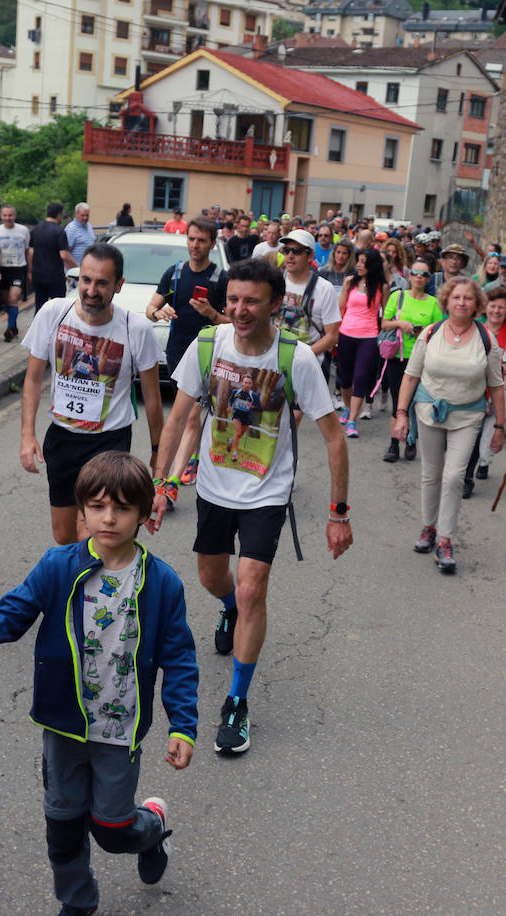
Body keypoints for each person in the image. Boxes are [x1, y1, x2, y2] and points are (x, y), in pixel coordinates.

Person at [0, 452, 196, 916]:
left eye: (123, 507)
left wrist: (183, 725)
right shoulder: (58, 566)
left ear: (145, 514)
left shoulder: (162, 584)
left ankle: (152, 826)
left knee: (111, 829)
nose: (109, 518)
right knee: (62, 825)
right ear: (80, 511)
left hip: (120, 731)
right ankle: (78, 901)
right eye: (98, 506)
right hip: (64, 724)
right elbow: (12, 613)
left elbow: (180, 659)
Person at [147, 258, 352, 755]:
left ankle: (236, 702)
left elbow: (334, 439)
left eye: (251, 300)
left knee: (252, 586)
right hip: (215, 489)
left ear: (275, 304)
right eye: (234, 299)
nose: (239, 309)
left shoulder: (296, 358)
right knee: (214, 580)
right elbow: (175, 423)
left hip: (267, 492)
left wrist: (338, 513)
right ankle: (228, 610)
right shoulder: (206, 346)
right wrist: (162, 483)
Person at [21, 243, 164, 545]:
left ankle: (91, 592)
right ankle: (79, 588)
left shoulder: (135, 328)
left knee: (92, 533)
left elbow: (152, 398)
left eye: (102, 282)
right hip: (62, 438)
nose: (91, 290)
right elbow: (33, 379)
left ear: (119, 285)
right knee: (64, 537)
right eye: (86, 280)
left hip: (108, 442)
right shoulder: (53, 313)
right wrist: (27, 435)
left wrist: (156, 452)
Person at [391, 278, 505, 573]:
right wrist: (401, 413)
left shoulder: (486, 340)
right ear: (446, 300)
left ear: (476, 304)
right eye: (456, 297)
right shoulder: (430, 333)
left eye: (468, 298)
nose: (462, 302)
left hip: (468, 417)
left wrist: (500, 427)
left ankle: (445, 540)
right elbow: (411, 376)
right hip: (428, 411)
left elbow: (496, 385)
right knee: (431, 474)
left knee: (454, 477)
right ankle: (428, 527)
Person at [146, 217, 229, 497]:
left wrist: (212, 315)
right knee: (183, 415)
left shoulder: (221, 278)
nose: (195, 245)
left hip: (209, 354)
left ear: (212, 244)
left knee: (193, 415)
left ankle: (173, 481)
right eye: (192, 239)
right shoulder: (175, 273)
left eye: (202, 240)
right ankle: (192, 459)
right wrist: (160, 312)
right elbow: (151, 307)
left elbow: (234, 323)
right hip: (177, 352)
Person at [464, 286, 506, 494]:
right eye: (493, 306)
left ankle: (485, 461)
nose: (496, 311)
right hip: (474, 392)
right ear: (485, 307)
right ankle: (467, 477)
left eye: (502, 307)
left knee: (489, 437)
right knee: (471, 436)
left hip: (502, 393)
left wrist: (498, 369)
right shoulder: (475, 327)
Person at [380, 259, 444, 462]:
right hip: (398, 356)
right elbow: (384, 324)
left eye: (424, 274)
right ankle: (393, 444)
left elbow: (439, 331)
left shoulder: (433, 302)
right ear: (409, 275)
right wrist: (401, 323)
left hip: (422, 360)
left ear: (428, 279)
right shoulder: (398, 296)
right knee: (398, 400)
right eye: (416, 272)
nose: (419, 277)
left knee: (417, 402)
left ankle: (410, 440)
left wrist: (421, 332)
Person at [336, 247, 387, 437]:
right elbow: (341, 308)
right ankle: (348, 408)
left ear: (371, 265)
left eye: (363, 261)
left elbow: (385, 314)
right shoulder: (349, 282)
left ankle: (352, 421)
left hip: (369, 336)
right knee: (345, 378)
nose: (358, 264)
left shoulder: (382, 286)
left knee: (360, 378)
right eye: (358, 260)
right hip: (346, 333)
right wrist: (335, 334)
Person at [275, 228, 341, 370]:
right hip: (273, 362)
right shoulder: (274, 280)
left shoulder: (324, 288)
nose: (290, 255)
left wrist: (302, 357)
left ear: (310, 256)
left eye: (297, 251)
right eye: (287, 250)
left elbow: (332, 336)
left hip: (308, 367)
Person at [0, 203, 31, 342]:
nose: (8, 218)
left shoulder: (23, 230)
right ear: (1, 216)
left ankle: (9, 329)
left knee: (13, 298)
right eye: (5, 215)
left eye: (10, 215)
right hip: (3, 269)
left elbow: (27, 251)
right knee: (8, 301)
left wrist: (30, 271)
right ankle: (14, 327)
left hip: (19, 268)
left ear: (15, 215)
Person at [34, 202, 78, 310]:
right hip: (54, 276)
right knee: (58, 308)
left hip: (38, 275)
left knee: (40, 307)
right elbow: (64, 255)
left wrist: (31, 271)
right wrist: (77, 267)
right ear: (59, 214)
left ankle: (39, 326)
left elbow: (30, 252)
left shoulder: (36, 229)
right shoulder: (59, 231)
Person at [65, 202, 97, 268]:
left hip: (88, 269)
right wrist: (75, 269)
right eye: (83, 215)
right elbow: (65, 254)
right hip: (75, 272)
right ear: (76, 214)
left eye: (87, 215)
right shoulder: (71, 229)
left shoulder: (89, 226)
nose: (85, 218)